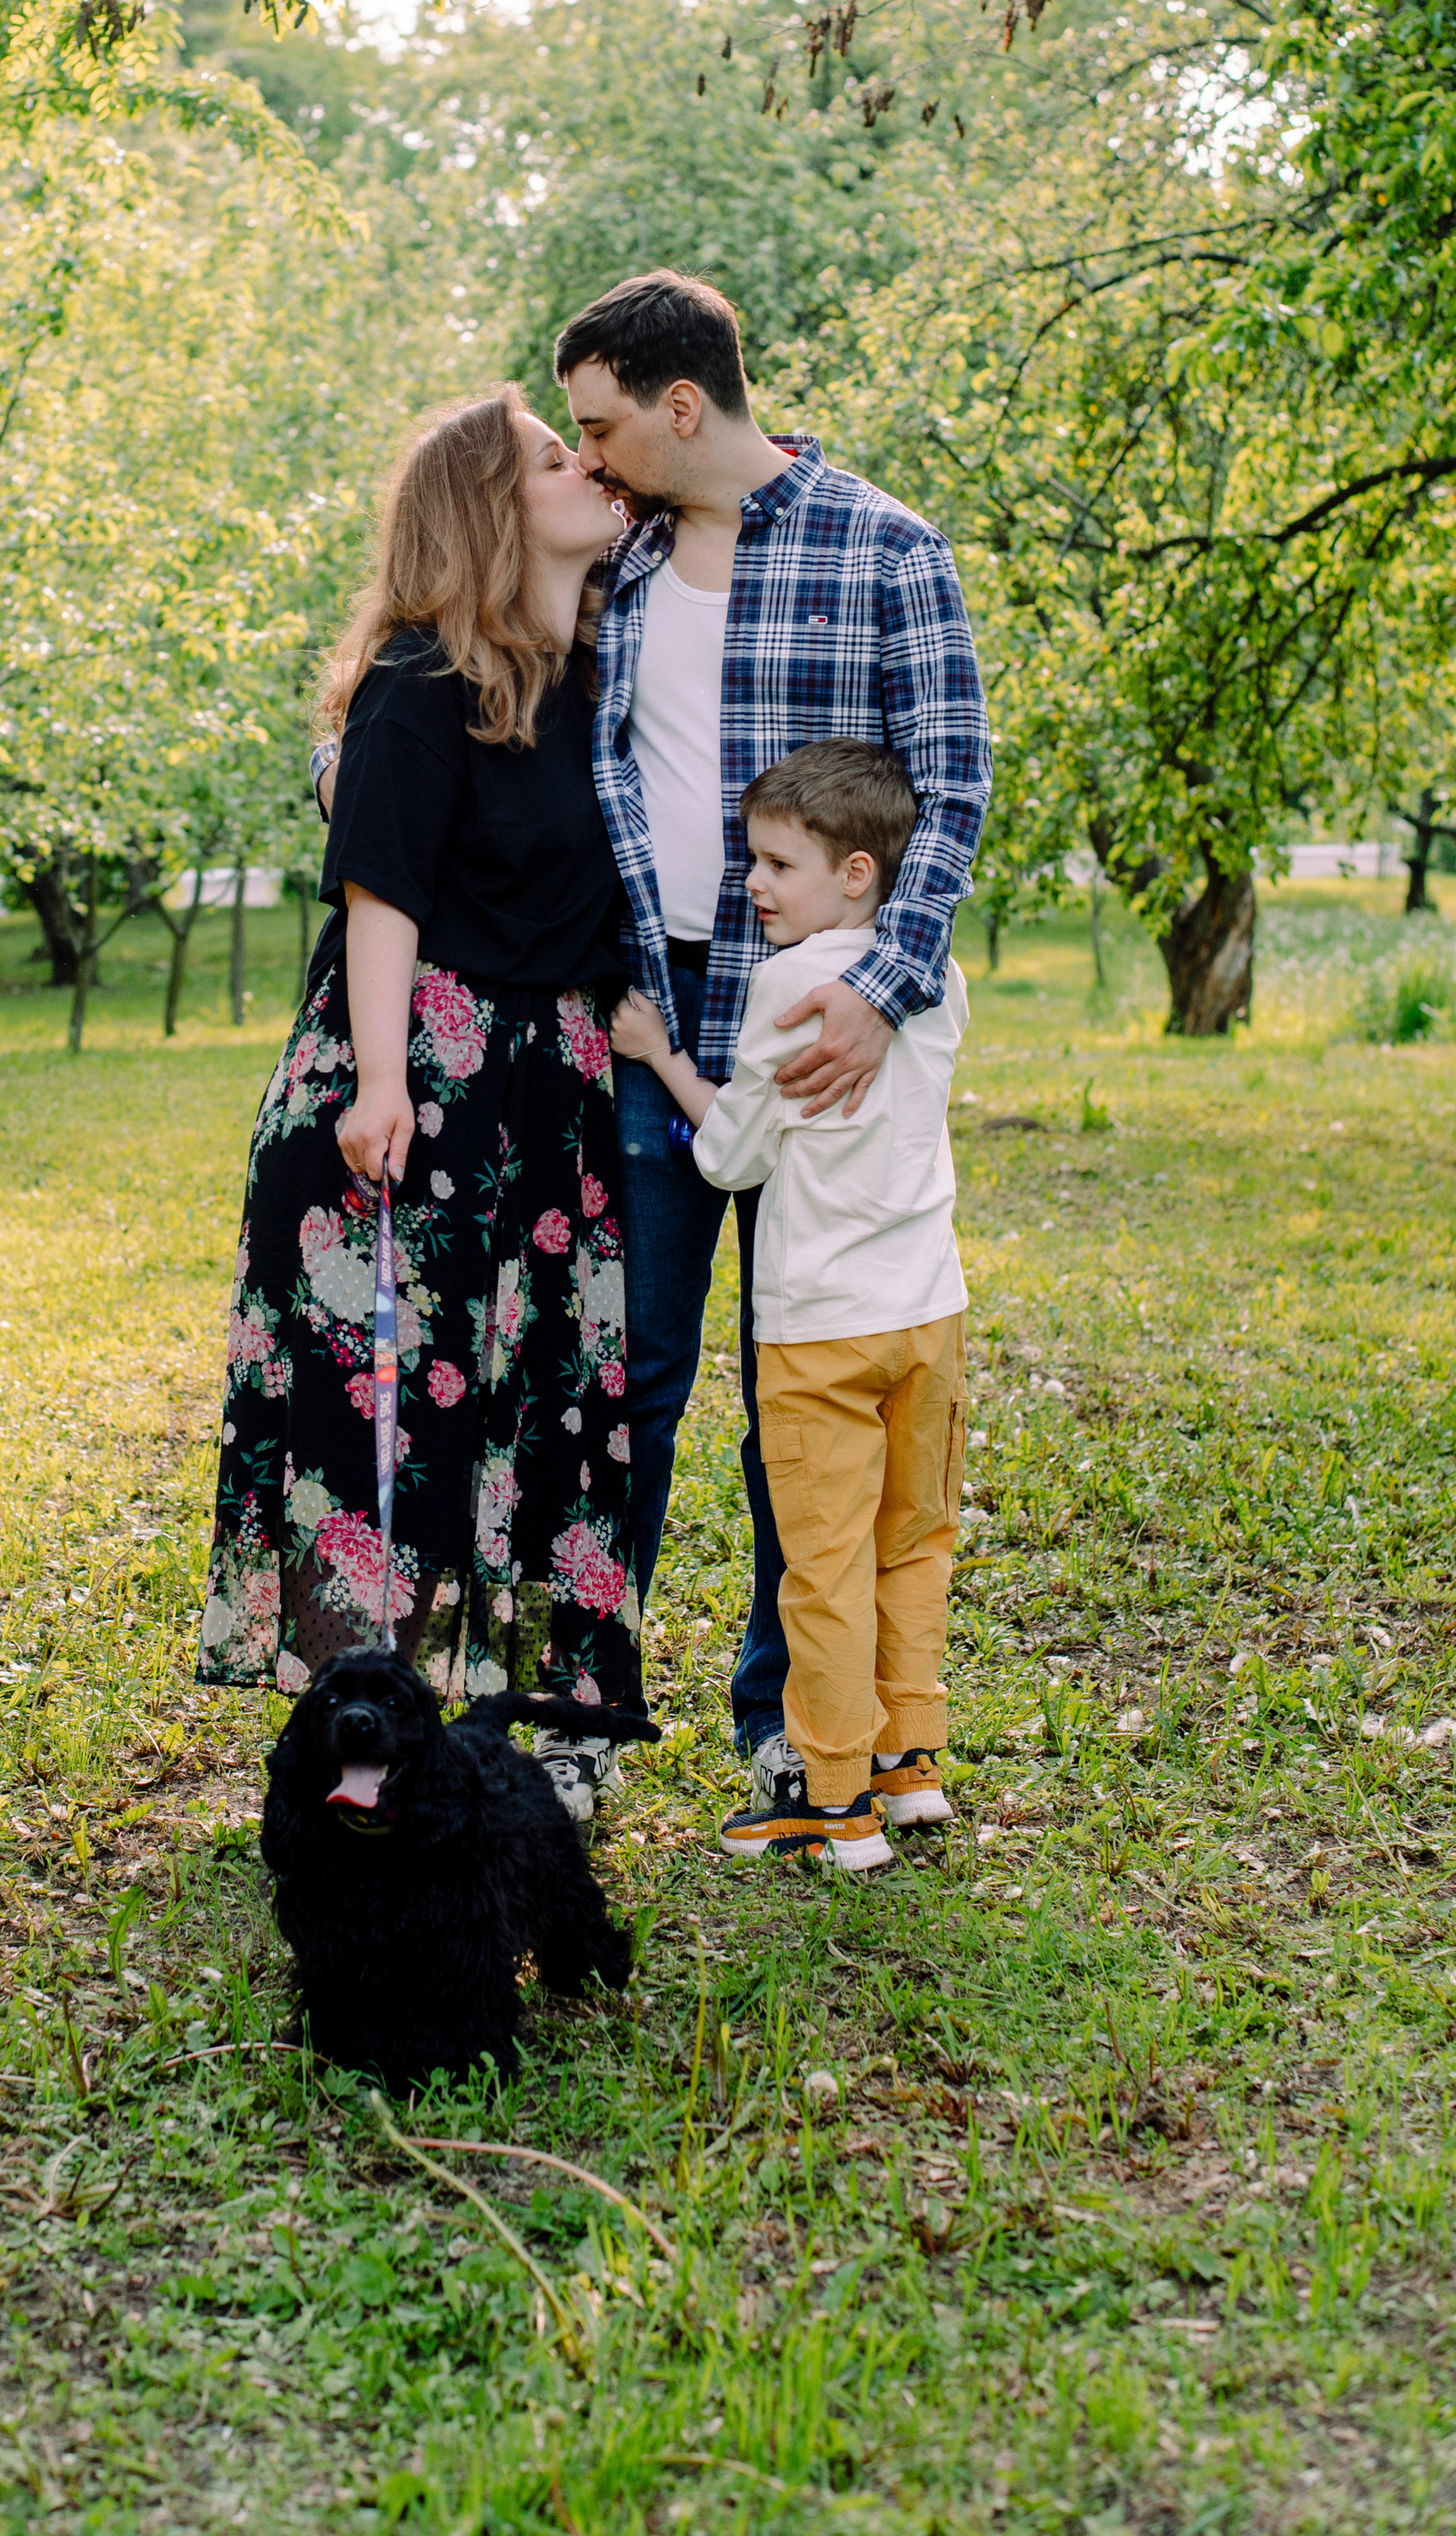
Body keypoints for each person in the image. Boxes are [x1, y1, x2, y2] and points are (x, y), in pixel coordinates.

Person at [555, 269, 989, 1843]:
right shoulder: (611, 555)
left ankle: (792, 1729)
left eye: (602, 424)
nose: (584, 456)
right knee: (631, 1376)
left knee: (793, 1394)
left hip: (825, 1023)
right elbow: (477, 664)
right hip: (659, 1020)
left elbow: (953, 785)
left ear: (685, 406)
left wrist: (884, 978)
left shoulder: (887, 547)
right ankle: (583, 1709)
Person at [199, 389, 645, 1818]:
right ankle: (354, 1765)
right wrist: (383, 1080)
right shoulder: (420, 679)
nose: (591, 468)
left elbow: (734, 476)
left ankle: (532, 1736)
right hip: (415, 1086)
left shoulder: (591, 663)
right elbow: (380, 887)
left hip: (553, 1095)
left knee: (540, 1405)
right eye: (555, 456)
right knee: (380, 1420)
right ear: (491, 510)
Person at [612, 741, 968, 1868]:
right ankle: (910, 1762)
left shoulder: (783, 986)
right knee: (913, 1542)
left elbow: (728, 1157)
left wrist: (662, 1056)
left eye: (777, 862)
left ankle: (830, 1797)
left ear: (857, 873)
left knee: (821, 1564)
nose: (753, 885)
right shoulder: (940, 980)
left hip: (822, 1330)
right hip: (931, 1313)